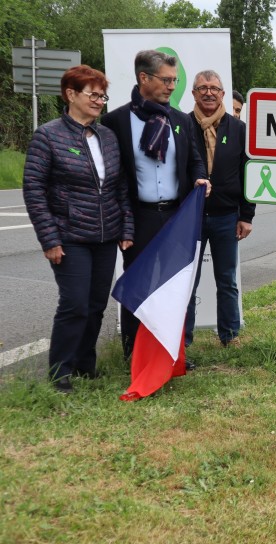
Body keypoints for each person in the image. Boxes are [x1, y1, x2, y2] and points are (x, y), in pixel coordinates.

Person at [23, 65, 134, 394]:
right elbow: (34, 190)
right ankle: (60, 372)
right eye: (93, 94)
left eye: (103, 96)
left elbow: (121, 187)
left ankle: (86, 365)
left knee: (96, 304)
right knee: (74, 304)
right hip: (69, 236)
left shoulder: (107, 137)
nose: (99, 101)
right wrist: (49, 238)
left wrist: (125, 228)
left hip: (105, 236)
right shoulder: (48, 136)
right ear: (70, 94)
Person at [102, 50, 209, 365]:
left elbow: (195, 160)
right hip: (139, 217)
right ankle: (133, 354)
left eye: (174, 80)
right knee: (139, 284)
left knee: (172, 287)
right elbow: (113, 177)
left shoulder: (180, 120)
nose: (172, 87)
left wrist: (201, 177)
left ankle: (171, 354)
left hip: (176, 217)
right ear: (143, 78)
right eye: (166, 80)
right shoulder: (115, 121)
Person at [184, 70, 254, 348]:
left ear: (223, 94)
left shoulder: (239, 129)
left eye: (214, 88)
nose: (209, 93)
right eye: (202, 88)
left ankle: (230, 335)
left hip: (227, 216)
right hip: (191, 217)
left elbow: (248, 173)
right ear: (194, 93)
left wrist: (246, 216)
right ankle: (184, 340)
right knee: (188, 282)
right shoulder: (183, 125)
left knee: (227, 280)